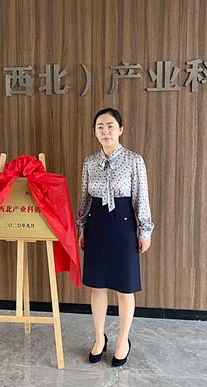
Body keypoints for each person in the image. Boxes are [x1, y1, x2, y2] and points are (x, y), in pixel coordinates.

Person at [77, 108, 154, 367]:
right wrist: (81, 228)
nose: (105, 131)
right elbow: (84, 199)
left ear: (120, 129)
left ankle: (123, 340)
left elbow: (141, 197)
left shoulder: (134, 160)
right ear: (95, 132)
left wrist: (145, 231)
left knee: (125, 287)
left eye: (110, 126)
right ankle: (99, 337)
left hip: (123, 227)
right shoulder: (90, 162)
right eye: (100, 127)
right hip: (96, 227)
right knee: (97, 286)